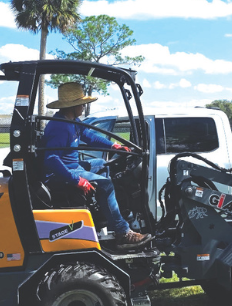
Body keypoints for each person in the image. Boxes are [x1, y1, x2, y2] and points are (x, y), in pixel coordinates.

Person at [42, 82, 152, 249]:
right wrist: (76, 180)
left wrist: (113, 146)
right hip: (61, 174)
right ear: (73, 106)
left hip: (73, 167)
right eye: (82, 104)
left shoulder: (72, 121)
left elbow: (89, 135)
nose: (84, 106)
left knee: (102, 163)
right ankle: (123, 232)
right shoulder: (60, 127)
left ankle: (105, 212)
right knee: (106, 185)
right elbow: (51, 159)